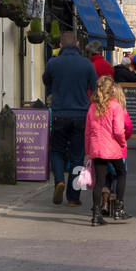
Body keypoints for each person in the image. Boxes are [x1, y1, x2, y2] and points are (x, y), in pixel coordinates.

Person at [43, 30, 97, 208]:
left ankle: (59, 180)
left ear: (60, 45)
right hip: (81, 115)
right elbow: (95, 87)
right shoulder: (87, 64)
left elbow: (46, 81)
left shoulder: (53, 63)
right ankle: (73, 197)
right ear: (77, 44)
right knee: (77, 157)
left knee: (57, 151)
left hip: (59, 113)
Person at [85, 77, 131, 226]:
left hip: (97, 147)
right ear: (111, 90)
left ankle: (96, 215)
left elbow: (87, 131)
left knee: (99, 181)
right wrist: (123, 143)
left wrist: (88, 149)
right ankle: (119, 207)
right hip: (112, 147)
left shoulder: (92, 107)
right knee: (121, 172)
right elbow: (118, 130)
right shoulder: (115, 106)